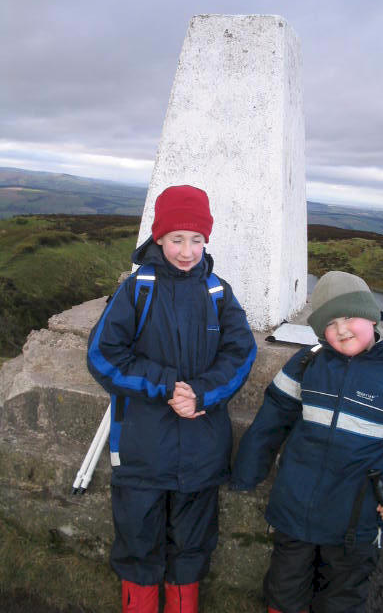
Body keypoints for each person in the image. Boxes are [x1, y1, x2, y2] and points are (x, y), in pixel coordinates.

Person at [230, 270, 383, 613]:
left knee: (341, 601)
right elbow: (273, 417)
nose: (342, 329)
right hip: (295, 512)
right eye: (330, 323)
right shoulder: (307, 363)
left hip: (356, 522)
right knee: (283, 593)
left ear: (371, 316)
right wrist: (247, 468)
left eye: (349, 316)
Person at [87, 185, 257, 613]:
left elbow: (241, 353)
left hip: (200, 456)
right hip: (142, 455)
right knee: (138, 550)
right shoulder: (136, 290)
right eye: (177, 239)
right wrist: (166, 387)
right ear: (158, 237)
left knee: (191, 552)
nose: (187, 251)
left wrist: (202, 392)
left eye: (197, 239)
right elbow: (102, 355)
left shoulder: (219, 294)